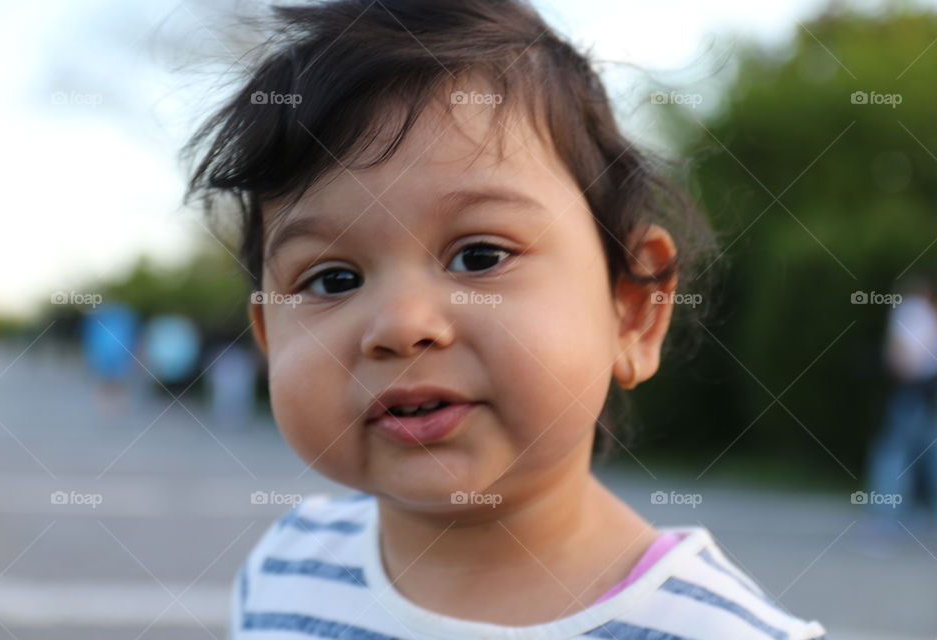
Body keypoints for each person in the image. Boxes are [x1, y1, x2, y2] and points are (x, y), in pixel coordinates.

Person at [182, 1, 826, 638]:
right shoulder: (287, 565)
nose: (402, 326)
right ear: (268, 337)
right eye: (333, 279)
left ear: (632, 307)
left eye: (479, 255)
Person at [866, 276, 937, 529]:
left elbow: (903, 355)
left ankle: (884, 517)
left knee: (893, 453)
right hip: (927, 390)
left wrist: (900, 370)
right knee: (928, 454)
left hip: (913, 391)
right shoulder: (927, 311)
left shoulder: (911, 308)